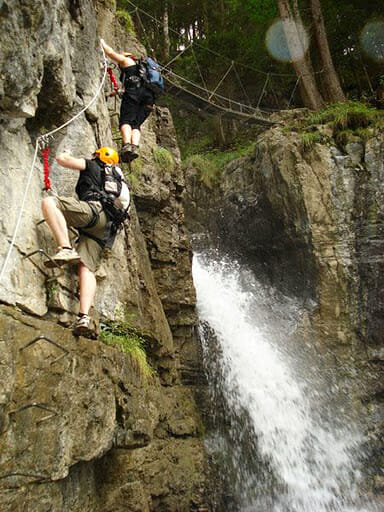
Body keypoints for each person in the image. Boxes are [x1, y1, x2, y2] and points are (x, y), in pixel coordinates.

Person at [41, 146, 127, 337]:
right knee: (86, 267)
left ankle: (65, 247)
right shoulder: (118, 182)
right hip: (106, 227)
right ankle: (83, 317)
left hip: (92, 211)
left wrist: (66, 151)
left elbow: (63, 161)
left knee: (49, 203)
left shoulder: (93, 165)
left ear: (99, 156)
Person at [100, 38, 155, 163]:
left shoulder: (127, 61)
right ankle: (134, 147)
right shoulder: (143, 72)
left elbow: (111, 53)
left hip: (134, 94)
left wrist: (102, 42)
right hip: (149, 100)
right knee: (136, 124)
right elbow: (136, 87)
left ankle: (126, 146)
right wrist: (115, 93)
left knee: (126, 121)